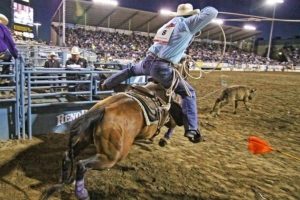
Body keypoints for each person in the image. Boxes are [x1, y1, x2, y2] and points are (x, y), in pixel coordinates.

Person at [101, 4, 218, 143]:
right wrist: (199, 13)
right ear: (190, 15)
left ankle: (107, 84)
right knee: (189, 93)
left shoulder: (168, 25)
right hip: (162, 68)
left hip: (147, 62)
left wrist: (181, 55)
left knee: (130, 70)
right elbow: (212, 12)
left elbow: (168, 46)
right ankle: (191, 129)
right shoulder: (187, 24)